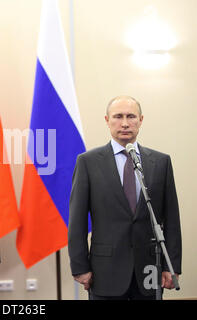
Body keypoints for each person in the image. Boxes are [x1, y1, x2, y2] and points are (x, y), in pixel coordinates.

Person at [68, 96, 182, 300]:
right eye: (118, 116)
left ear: (141, 120)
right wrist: (79, 266)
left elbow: (171, 219)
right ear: (107, 120)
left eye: (131, 116)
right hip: (104, 271)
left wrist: (171, 266)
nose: (125, 123)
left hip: (149, 269)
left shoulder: (161, 162)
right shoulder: (88, 162)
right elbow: (76, 220)